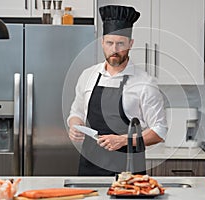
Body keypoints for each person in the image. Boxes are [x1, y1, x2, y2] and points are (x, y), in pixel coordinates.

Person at [67, 5, 167, 176]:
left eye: (120, 43)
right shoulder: (88, 75)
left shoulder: (145, 83)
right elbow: (76, 112)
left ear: (130, 44)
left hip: (129, 173)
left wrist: (123, 140)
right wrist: (74, 126)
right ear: (102, 42)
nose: (115, 50)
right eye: (110, 43)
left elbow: (159, 131)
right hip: (89, 170)